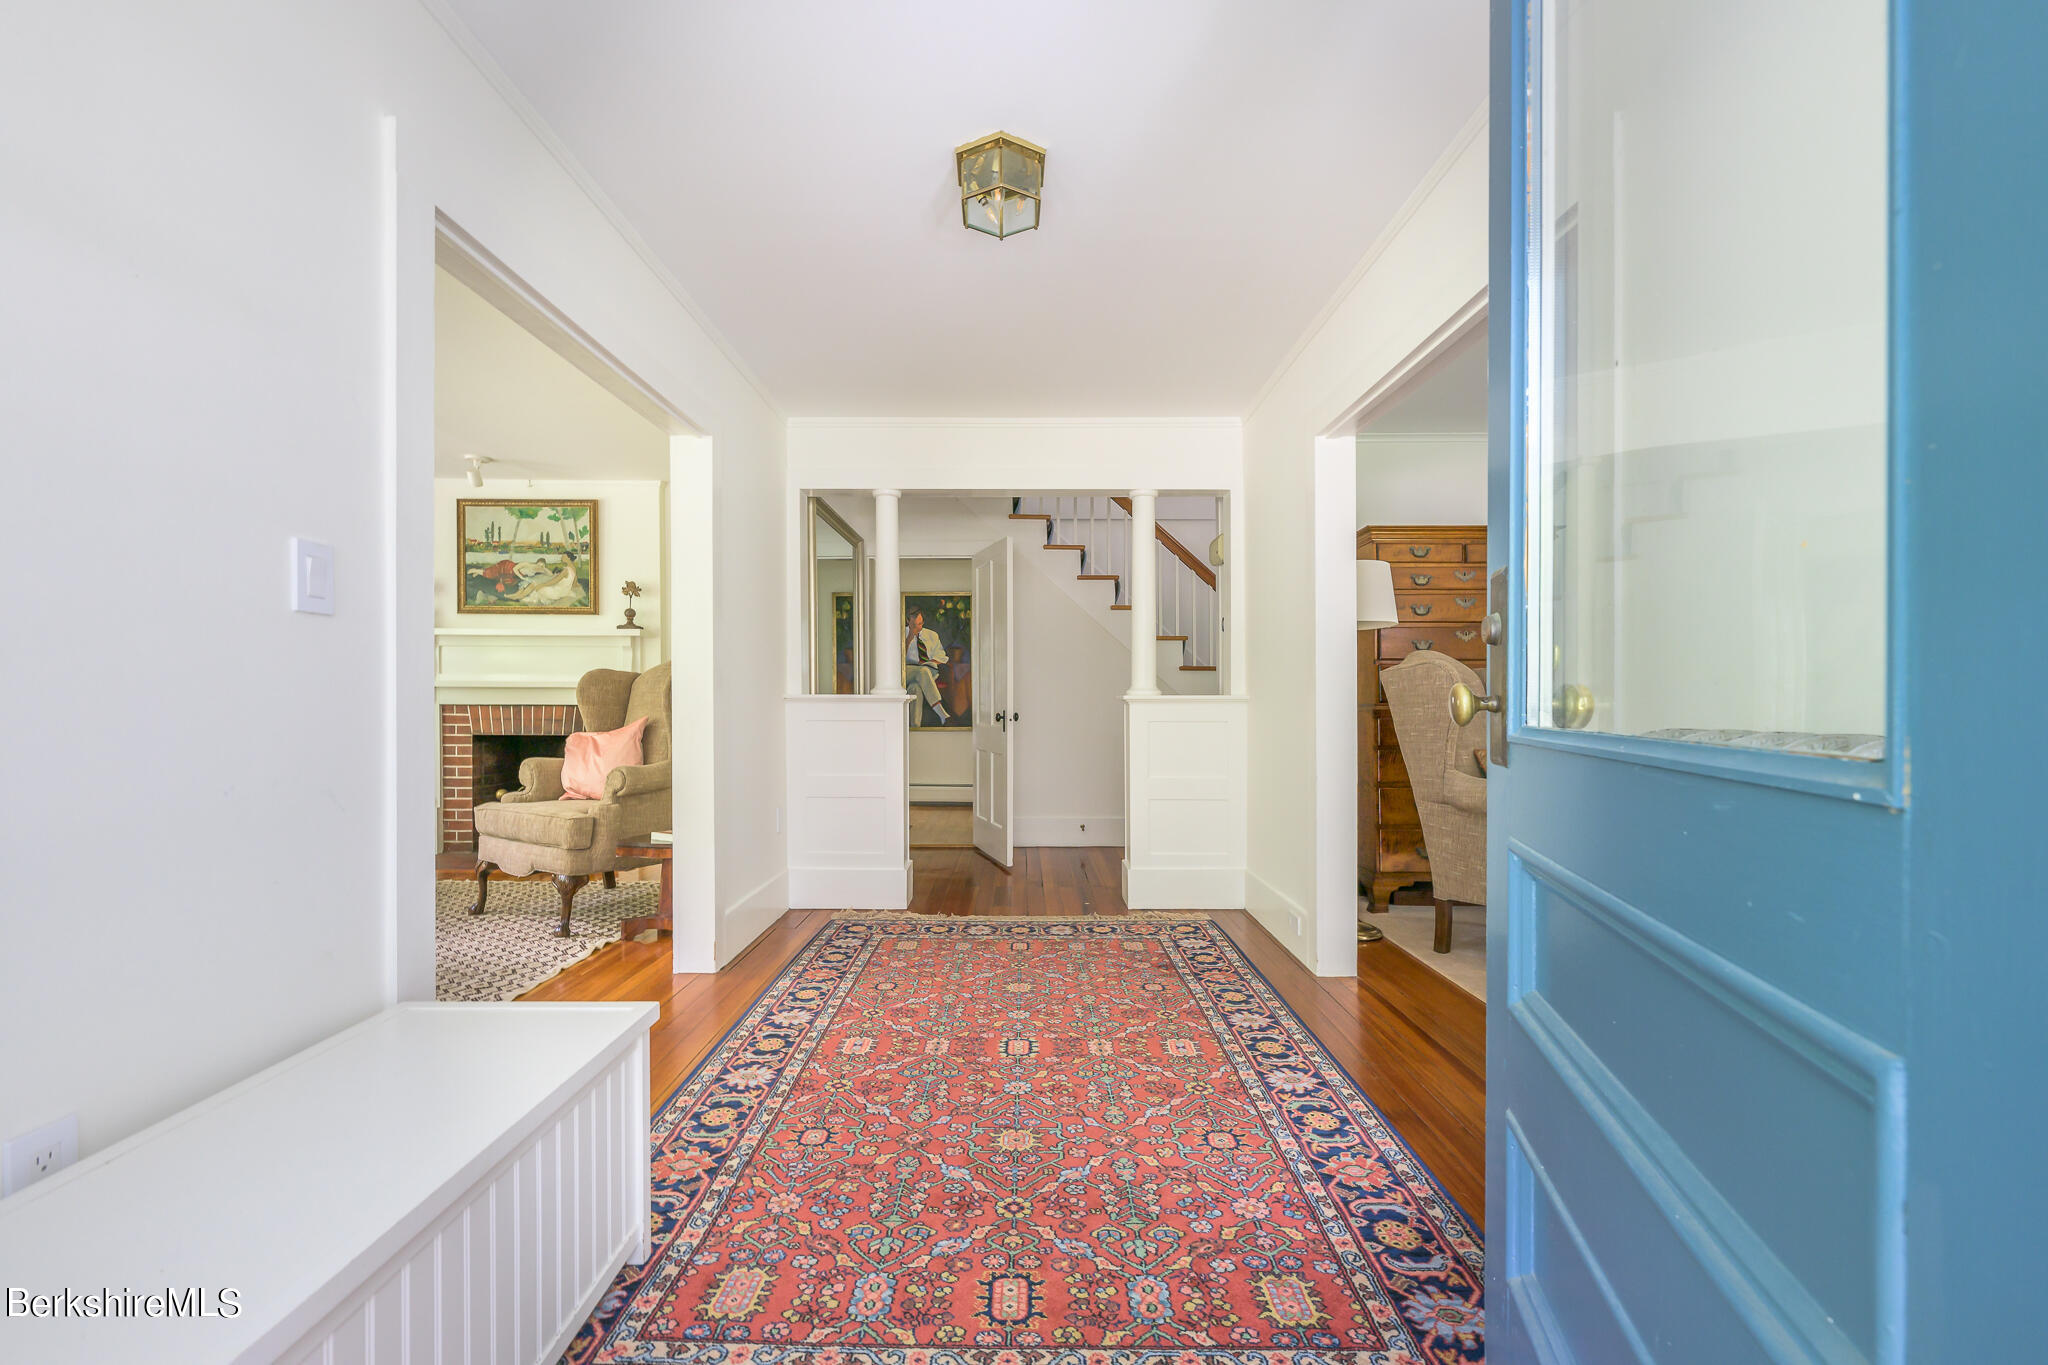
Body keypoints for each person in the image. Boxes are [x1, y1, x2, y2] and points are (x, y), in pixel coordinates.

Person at [904, 608, 950, 726]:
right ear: (907, 621)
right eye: (913, 625)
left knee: (915, 688)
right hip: (906, 672)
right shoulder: (900, 634)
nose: (917, 627)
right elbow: (896, 659)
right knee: (922, 671)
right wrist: (909, 637)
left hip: (928, 671)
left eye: (919, 624)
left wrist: (930, 661)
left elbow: (941, 656)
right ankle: (940, 712)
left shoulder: (932, 635)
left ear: (923, 622)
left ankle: (915, 727)